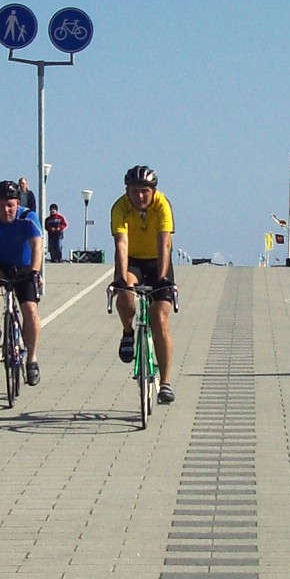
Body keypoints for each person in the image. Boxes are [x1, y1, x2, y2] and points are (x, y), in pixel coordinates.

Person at [110, 164, 177, 404]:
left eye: (145, 191)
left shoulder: (162, 205)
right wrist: (120, 277)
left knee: (160, 319)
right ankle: (128, 332)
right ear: (127, 190)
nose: (140, 196)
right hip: (134, 260)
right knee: (125, 287)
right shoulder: (120, 207)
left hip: (159, 260)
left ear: (153, 191)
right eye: (135, 191)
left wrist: (161, 278)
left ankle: (166, 383)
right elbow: (121, 244)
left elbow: (164, 243)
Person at [0, 180, 44, 386]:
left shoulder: (27, 217)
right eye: (1, 205)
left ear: (17, 203)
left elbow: (37, 245)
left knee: (30, 311)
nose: (6, 210)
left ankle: (31, 360)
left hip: (24, 267)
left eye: (10, 205)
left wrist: (35, 271)